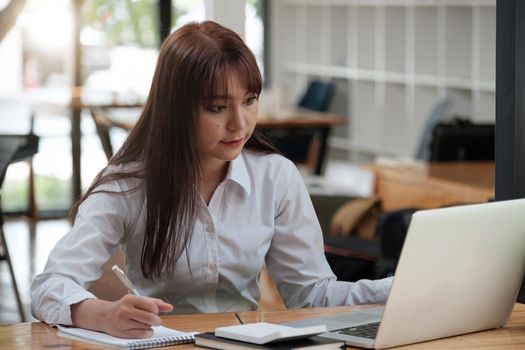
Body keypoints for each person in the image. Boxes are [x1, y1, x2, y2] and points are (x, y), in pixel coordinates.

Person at [31, 21, 392, 339]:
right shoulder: (129, 183)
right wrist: (104, 314)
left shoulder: (276, 177)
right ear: (176, 109)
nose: (240, 123)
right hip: (162, 342)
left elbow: (313, 296)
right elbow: (49, 287)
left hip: (248, 342)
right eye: (217, 107)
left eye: (249, 100)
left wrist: (400, 290)